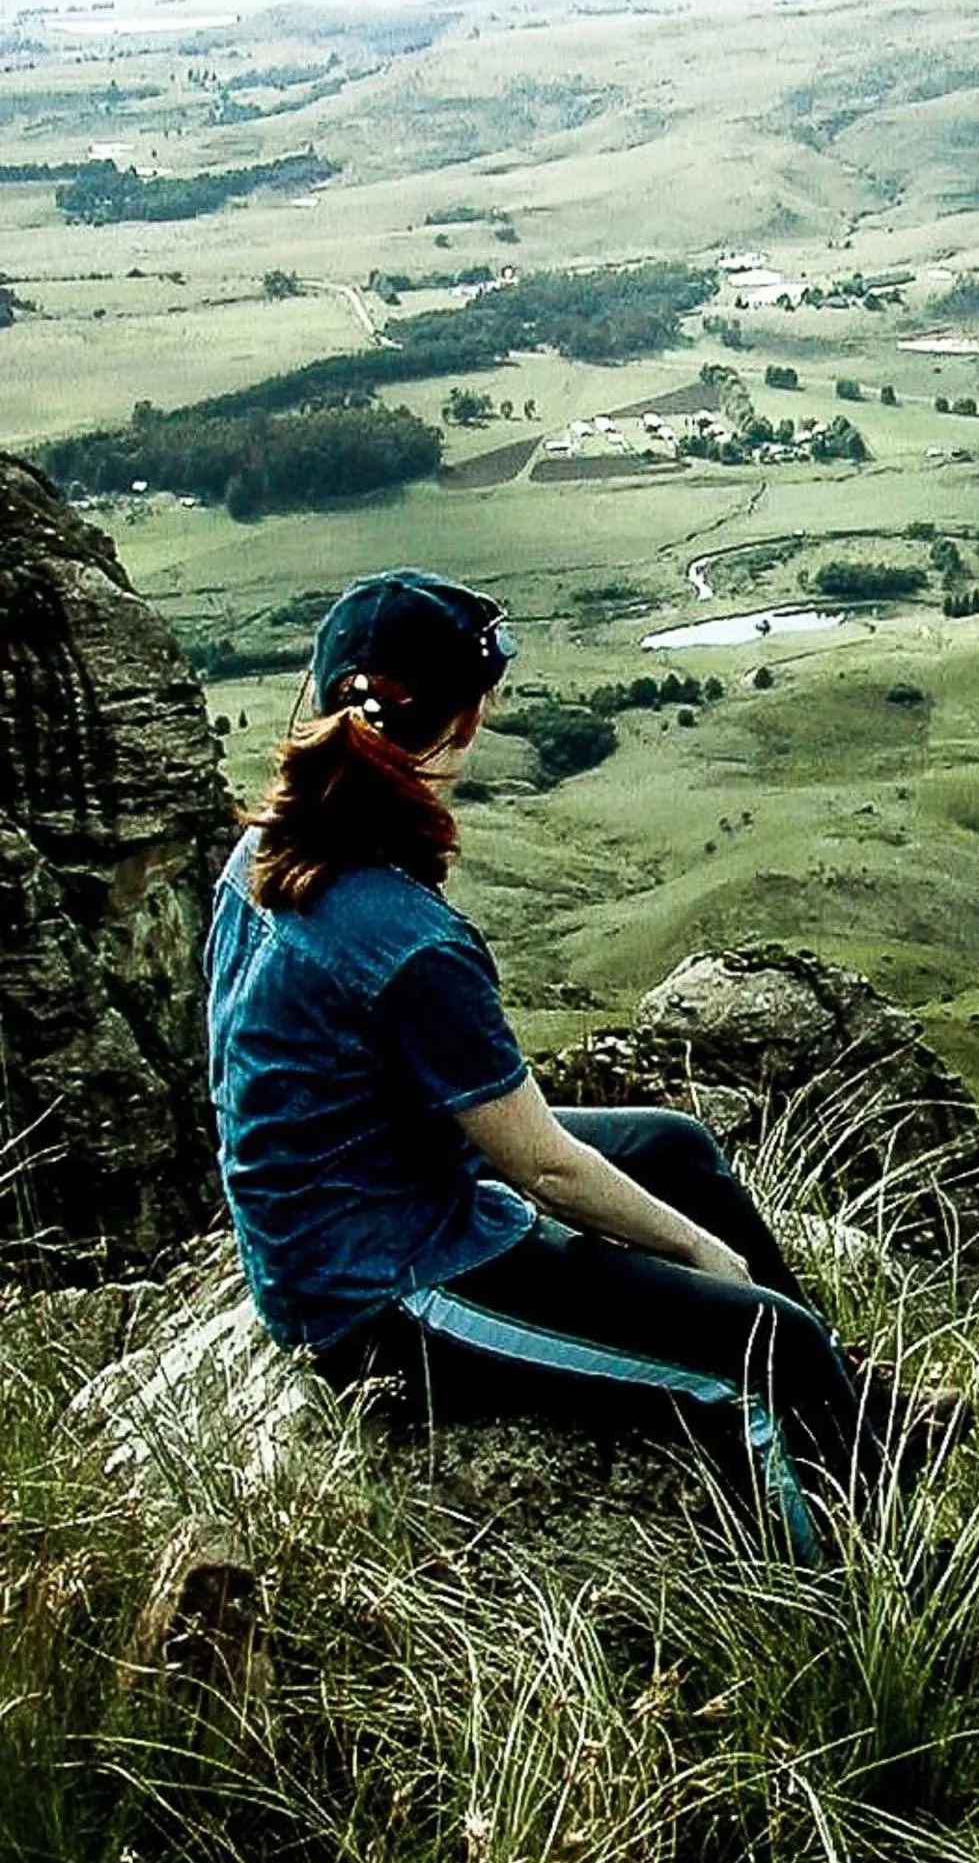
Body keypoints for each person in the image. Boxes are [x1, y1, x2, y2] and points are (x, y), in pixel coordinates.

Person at [205, 567, 878, 1556]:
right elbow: (542, 1165)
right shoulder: (408, 938)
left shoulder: (269, 844)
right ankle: (863, 1575)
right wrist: (699, 1255)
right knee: (760, 1345)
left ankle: (857, 1421)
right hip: (381, 1288)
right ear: (470, 722)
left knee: (675, 1149)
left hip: (370, 1183)